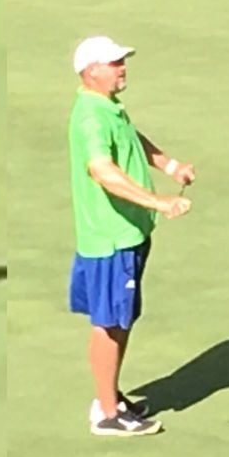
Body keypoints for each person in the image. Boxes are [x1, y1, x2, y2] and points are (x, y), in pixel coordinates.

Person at [67, 36, 195, 436]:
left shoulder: (108, 107)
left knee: (120, 319)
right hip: (111, 239)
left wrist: (169, 165)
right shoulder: (90, 116)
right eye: (115, 62)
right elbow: (102, 172)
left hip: (127, 235)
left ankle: (111, 396)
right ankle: (107, 413)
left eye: (123, 61)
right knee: (109, 324)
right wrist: (159, 202)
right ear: (92, 71)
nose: (123, 67)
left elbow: (131, 139)